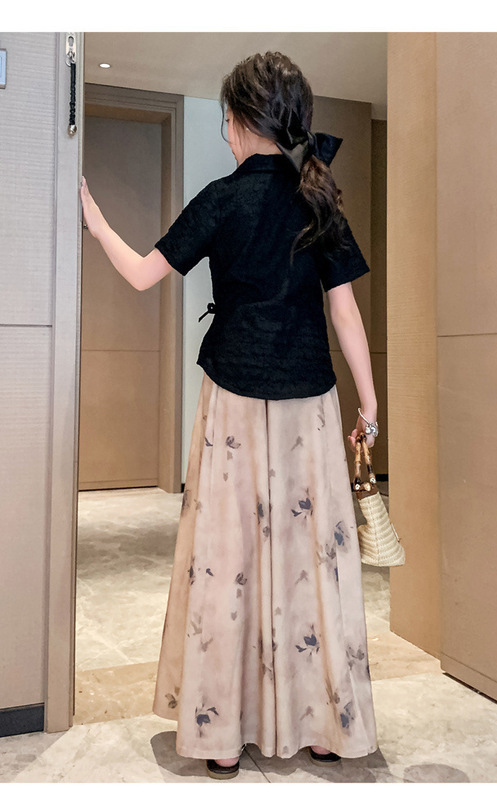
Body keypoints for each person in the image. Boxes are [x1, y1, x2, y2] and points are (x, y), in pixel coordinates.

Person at [80, 50, 380, 780]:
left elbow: (142, 275)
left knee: (227, 562)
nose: (223, 127)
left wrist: (94, 219)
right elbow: (345, 313)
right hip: (311, 400)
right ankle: (319, 727)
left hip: (234, 399)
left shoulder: (222, 198)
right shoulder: (319, 198)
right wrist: (371, 405)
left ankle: (221, 733)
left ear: (243, 120)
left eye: (225, 115)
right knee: (311, 562)